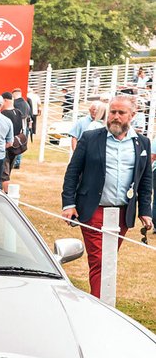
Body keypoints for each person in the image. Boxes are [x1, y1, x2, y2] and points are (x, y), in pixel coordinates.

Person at [61, 94, 153, 298]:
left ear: (133, 115)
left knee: (109, 258)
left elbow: (145, 180)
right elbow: (73, 172)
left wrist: (145, 211)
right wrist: (68, 204)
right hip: (94, 210)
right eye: (113, 112)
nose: (116, 117)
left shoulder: (143, 144)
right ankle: (101, 304)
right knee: (101, 260)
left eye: (121, 113)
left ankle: (101, 301)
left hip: (122, 214)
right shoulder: (90, 138)